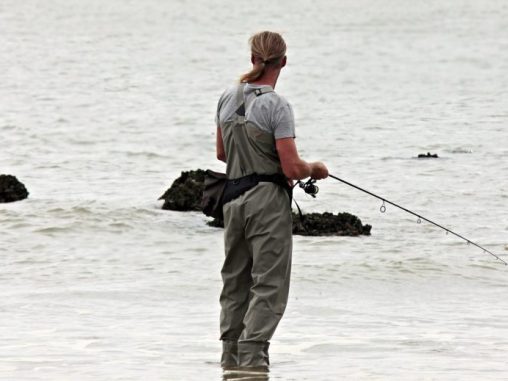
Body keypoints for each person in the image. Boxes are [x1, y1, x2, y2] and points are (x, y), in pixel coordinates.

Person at [215, 31, 328, 372]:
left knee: (235, 281)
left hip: (232, 200)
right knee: (269, 283)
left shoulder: (226, 97)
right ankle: (252, 360)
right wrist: (316, 169)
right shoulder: (276, 105)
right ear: (284, 62)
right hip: (266, 201)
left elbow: (222, 154)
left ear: (253, 59)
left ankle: (230, 360)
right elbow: (292, 167)